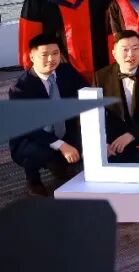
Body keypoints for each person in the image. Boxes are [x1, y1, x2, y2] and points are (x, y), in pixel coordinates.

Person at [10, 34, 85, 196]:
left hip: (64, 129)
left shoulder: (67, 71)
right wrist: (61, 145)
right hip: (32, 137)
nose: (51, 59)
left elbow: (86, 93)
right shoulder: (20, 88)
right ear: (32, 56)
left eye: (55, 53)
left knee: (88, 144)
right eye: (44, 54)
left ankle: (57, 162)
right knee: (37, 151)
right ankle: (33, 180)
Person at [94, 30, 139, 164]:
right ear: (114, 53)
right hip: (115, 146)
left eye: (135, 48)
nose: (130, 54)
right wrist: (102, 143)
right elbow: (93, 113)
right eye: (125, 50)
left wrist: (133, 134)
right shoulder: (101, 76)